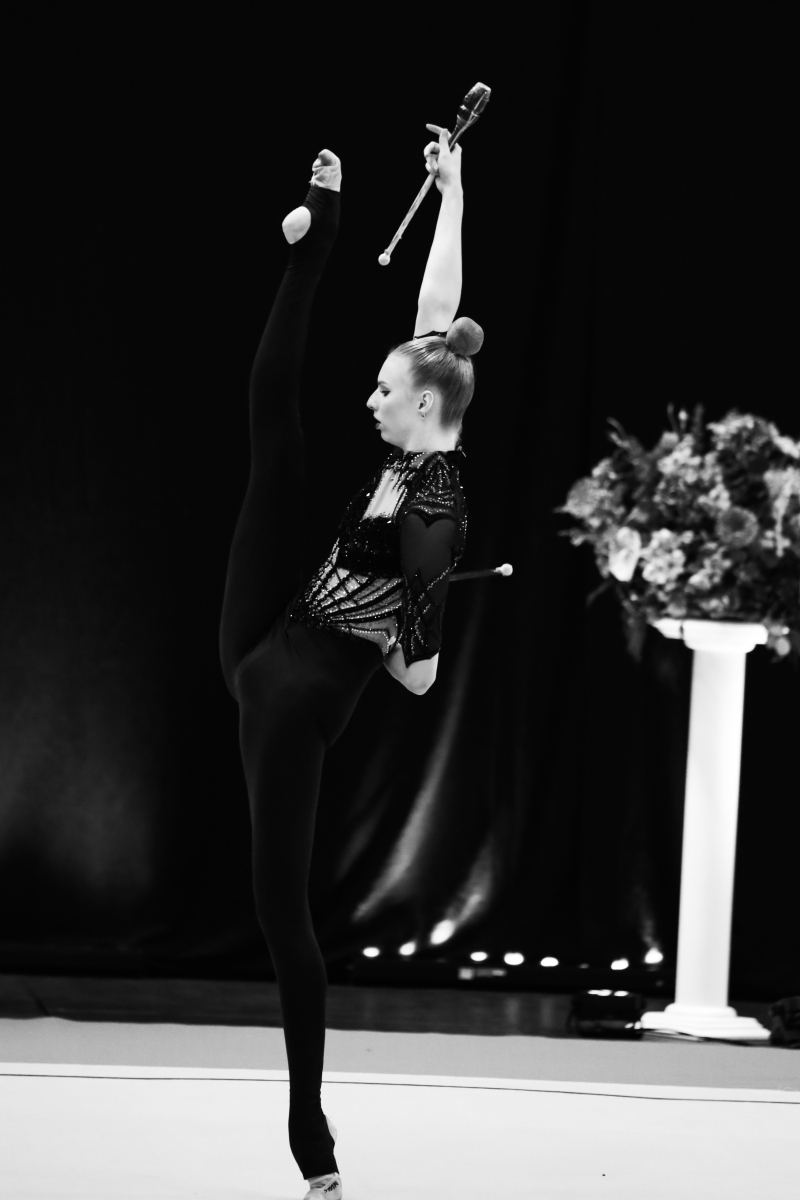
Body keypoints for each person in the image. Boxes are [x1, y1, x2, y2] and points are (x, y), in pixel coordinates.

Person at [218, 127, 483, 1200]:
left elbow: (420, 680)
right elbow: (438, 315)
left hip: (293, 699)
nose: (370, 399)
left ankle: (310, 1139)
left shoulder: (433, 515)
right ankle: (315, 241)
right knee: (272, 433)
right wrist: (452, 194)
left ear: (420, 408)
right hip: (269, 636)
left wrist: (407, 614)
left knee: (284, 919)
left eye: (382, 391)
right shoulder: (424, 418)